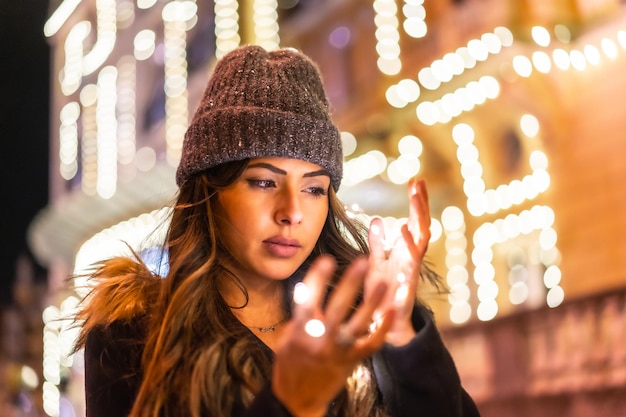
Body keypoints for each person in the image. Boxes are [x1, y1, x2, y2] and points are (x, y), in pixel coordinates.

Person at [73, 45, 481, 417]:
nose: (292, 213)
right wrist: (288, 405)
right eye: (264, 182)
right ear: (210, 188)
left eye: (314, 189)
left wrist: (404, 341)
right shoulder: (133, 332)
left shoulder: (362, 319)